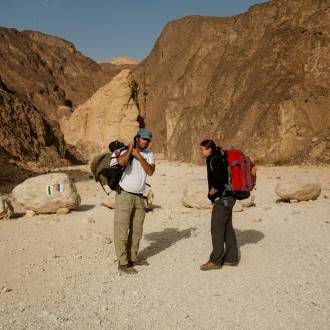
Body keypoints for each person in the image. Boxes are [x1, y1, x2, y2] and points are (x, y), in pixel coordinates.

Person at [114, 128, 155, 275]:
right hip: (124, 195)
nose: (146, 142)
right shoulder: (127, 150)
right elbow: (121, 162)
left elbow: (150, 171)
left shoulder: (149, 154)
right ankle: (123, 263)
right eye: (143, 139)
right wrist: (131, 150)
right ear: (137, 138)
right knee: (122, 230)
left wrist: (139, 157)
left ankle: (133, 258)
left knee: (137, 230)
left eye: (148, 140)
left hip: (140, 196)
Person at [199, 139, 239, 271]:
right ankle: (231, 258)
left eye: (202, 149)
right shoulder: (220, 156)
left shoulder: (213, 159)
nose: (200, 151)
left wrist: (212, 192)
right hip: (230, 197)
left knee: (216, 228)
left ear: (209, 149)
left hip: (223, 199)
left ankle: (215, 261)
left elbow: (220, 179)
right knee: (227, 227)